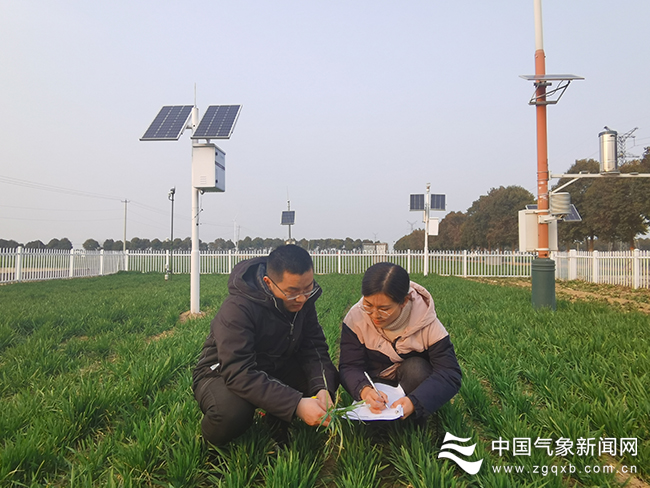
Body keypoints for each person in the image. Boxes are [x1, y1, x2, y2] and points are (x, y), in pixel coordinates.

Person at [192, 244, 339, 446]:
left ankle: (275, 419)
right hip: (222, 372)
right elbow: (238, 372)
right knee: (231, 413)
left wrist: (323, 388)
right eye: (293, 291)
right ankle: (208, 442)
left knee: (320, 381)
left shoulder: (303, 302)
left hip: (274, 365)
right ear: (268, 282)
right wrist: (295, 404)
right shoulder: (237, 308)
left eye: (308, 287)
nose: (302, 298)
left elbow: (314, 348)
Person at [339, 262, 461, 422]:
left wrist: (415, 402)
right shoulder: (355, 318)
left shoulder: (427, 323)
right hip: (374, 383)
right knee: (372, 428)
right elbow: (349, 366)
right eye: (368, 305)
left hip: (410, 384)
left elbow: (449, 373)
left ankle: (413, 418)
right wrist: (364, 390)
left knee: (417, 368)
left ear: (404, 301)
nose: (374, 315)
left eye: (384, 308)